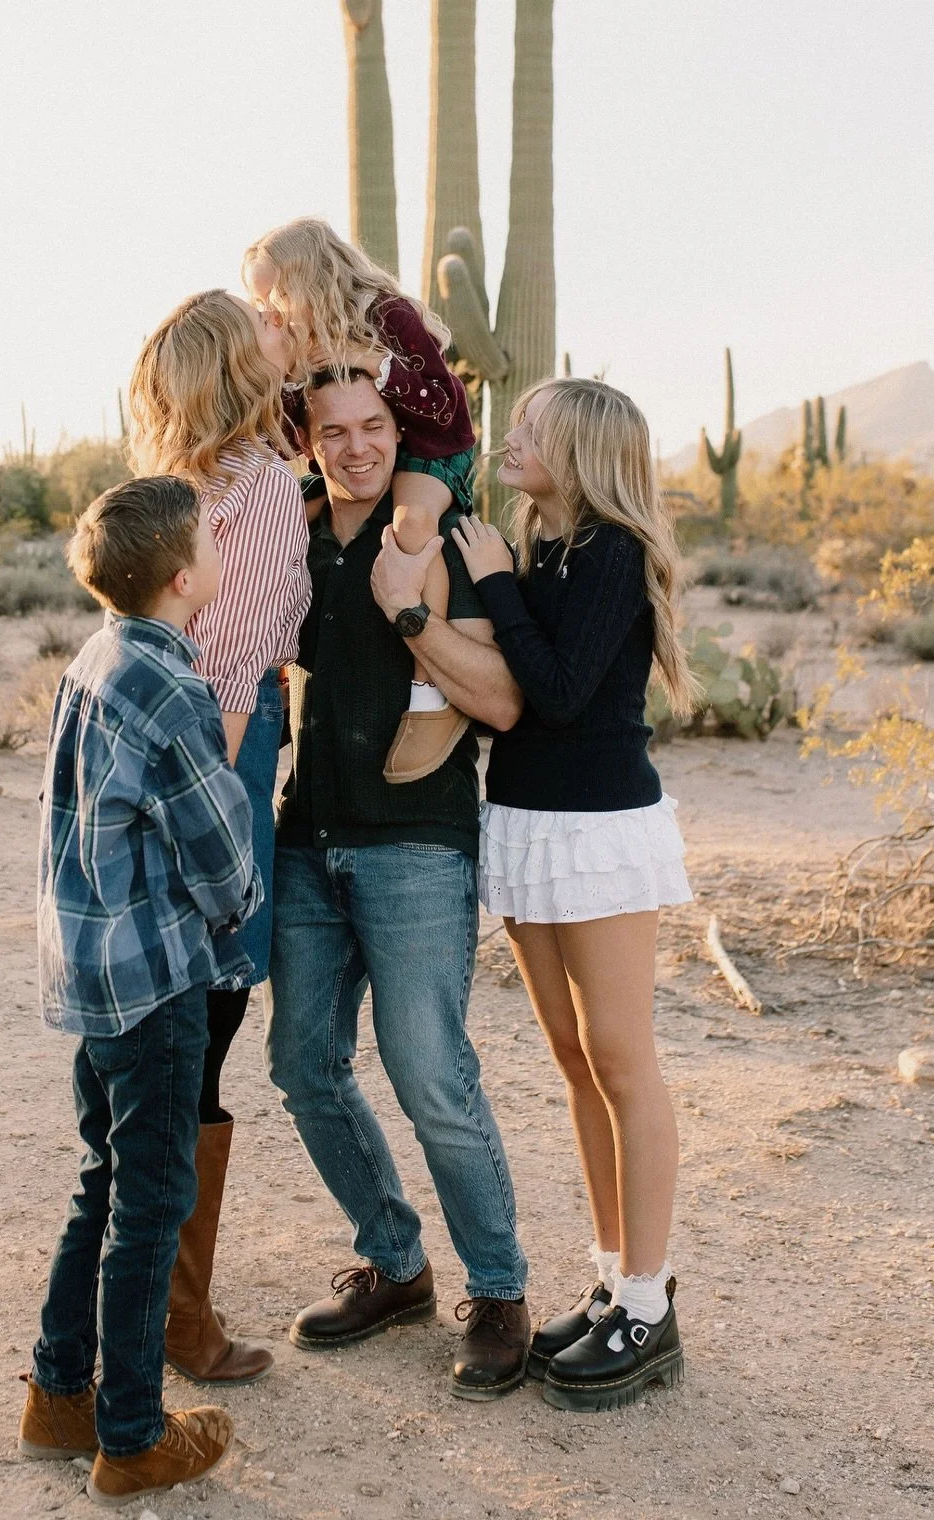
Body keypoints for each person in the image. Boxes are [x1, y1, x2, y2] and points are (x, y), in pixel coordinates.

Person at [263, 365, 533, 1400]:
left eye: (374, 425)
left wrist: (408, 616)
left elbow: (505, 701)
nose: (357, 445)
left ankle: (499, 1289)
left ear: (400, 431)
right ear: (312, 439)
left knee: (429, 1074)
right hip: (306, 837)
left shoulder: (446, 535)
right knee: (303, 1062)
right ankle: (397, 1264)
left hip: (417, 840)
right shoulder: (292, 530)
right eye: (334, 429)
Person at [449, 377, 697, 1413]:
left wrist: (495, 585)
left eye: (531, 432)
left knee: (622, 1061)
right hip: (529, 822)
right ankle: (609, 1278)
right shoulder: (548, 549)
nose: (510, 441)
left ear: (583, 452)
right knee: (572, 1060)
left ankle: (649, 1304)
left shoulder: (608, 555)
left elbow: (549, 695)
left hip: (599, 831)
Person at [18, 475, 260, 1504]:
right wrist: (241, 902)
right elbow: (219, 854)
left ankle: (58, 1392)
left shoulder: (97, 655)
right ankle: (130, 1437)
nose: (217, 552)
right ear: (181, 578)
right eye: (210, 540)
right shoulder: (173, 686)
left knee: (103, 1182)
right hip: (157, 984)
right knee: (152, 1205)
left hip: (90, 972)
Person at [126, 289, 310, 1384]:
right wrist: (226, 831)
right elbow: (236, 664)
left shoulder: (167, 489)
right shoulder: (265, 485)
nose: (281, 341)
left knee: (172, 1033)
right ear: (241, 373)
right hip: (220, 752)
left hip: (147, 754)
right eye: (265, 337)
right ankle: (177, 1323)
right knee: (212, 1013)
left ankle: (152, 1304)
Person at [243, 216, 478, 783]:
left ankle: (429, 697)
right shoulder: (306, 340)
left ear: (304, 277)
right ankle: (268, 666)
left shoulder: (385, 315)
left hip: (431, 447)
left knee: (412, 523)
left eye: (271, 295)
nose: (269, 310)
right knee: (287, 519)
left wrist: (377, 365)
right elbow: (298, 434)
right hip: (372, 450)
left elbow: (441, 403)